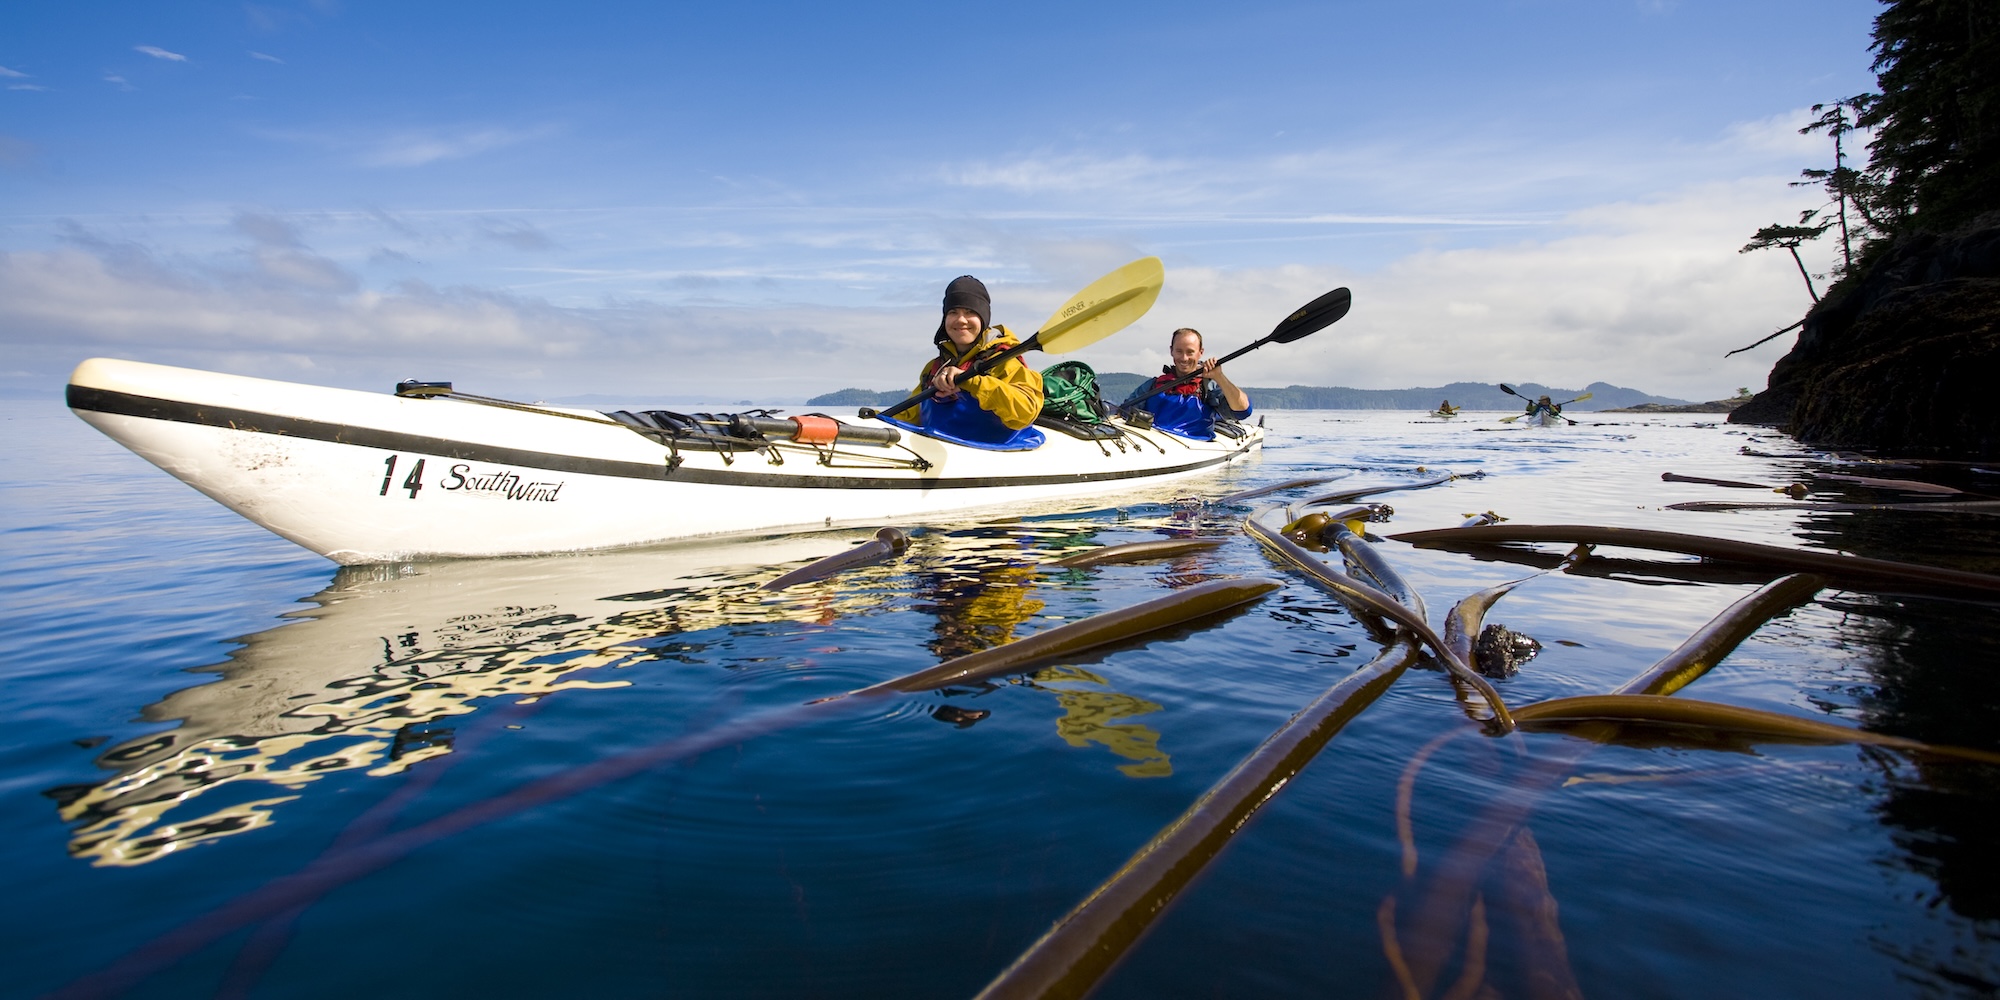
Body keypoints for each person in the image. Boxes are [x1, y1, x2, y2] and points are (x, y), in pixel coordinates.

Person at [891, 275, 1044, 446]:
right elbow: (911, 416)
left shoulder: (1003, 361)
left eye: (970, 312)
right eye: (953, 312)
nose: (961, 320)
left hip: (995, 454)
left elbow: (1026, 412)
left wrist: (973, 382)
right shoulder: (935, 367)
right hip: (943, 452)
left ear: (983, 318)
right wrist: (872, 420)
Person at [1120, 327, 1252, 439]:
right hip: (1157, 441)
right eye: (1179, 351)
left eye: (1190, 352)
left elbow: (1243, 411)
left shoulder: (1208, 387)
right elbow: (1124, 410)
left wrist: (1219, 377)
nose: (1184, 358)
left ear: (1200, 353)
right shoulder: (1154, 385)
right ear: (1171, 351)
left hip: (1194, 443)